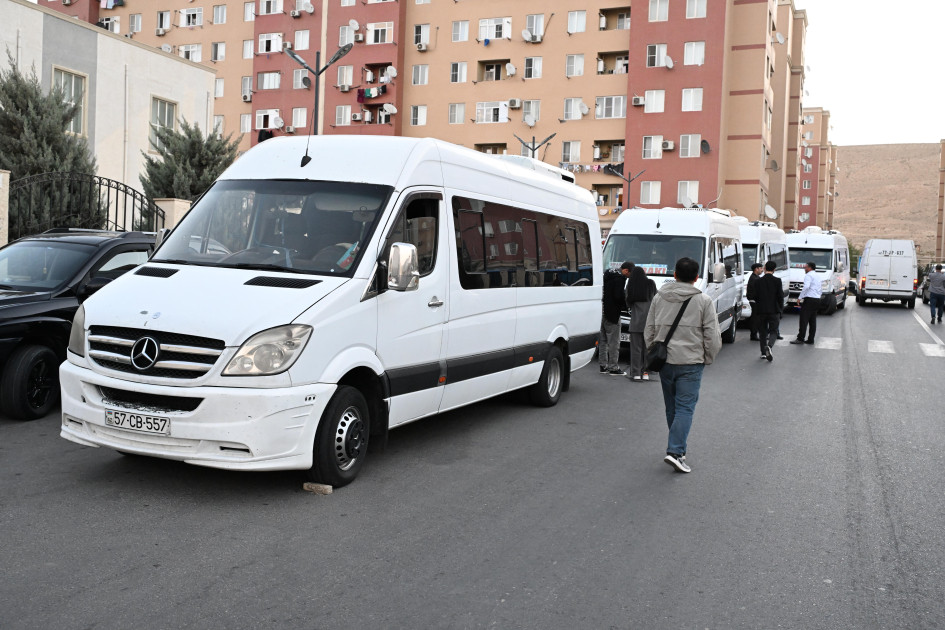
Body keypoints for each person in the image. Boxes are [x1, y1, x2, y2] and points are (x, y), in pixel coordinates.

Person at [644, 257, 722, 473]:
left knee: (672, 407)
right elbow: (712, 335)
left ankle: (678, 448)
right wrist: (708, 357)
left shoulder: (659, 298)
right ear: (696, 278)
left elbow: (648, 329)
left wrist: (653, 351)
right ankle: (676, 451)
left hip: (665, 361)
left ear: (675, 274)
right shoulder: (703, 301)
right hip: (691, 361)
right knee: (685, 407)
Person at [599, 262, 633, 375]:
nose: (629, 277)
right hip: (613, 313)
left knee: (603, 341)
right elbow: (618, 296)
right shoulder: (620, 279)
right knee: (614, 342)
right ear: (626, 270)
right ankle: (613, 367)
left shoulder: (608, 273)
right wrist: (625, 304)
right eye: (629, 274)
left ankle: (603, 366)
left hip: (602, 311)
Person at [625, 265, 657, 381]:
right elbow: (656, 300)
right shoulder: (651, 284)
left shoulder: (631, 286)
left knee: (636, 349)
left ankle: (636, 373)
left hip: (636, 322)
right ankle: (645, 373)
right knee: (647, 349)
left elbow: (628, 303)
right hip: (649, 323)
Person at [754, 260, 784, 362]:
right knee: (774, 331)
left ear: (765, 268)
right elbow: (780, 296)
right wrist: (781, 310)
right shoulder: (777, 281)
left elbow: (754, 296)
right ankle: (769, 346)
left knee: (762, 332)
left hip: (761, 310)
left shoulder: (758, 281)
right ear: (774, 270)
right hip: (774, 310)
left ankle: (763, 353)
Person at [790, 261, 821, 345]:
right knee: (812, 320)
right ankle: (811, 339)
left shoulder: (808, 275)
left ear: (810, 268)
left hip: (809, 299)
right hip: (817, 299)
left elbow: (806, 287)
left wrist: (800, 298)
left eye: (806, 267)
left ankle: (800, 338)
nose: (804, 268)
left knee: (803, 319)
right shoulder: (818, 276)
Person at [746, 263, 764, 341]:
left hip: (755, 300)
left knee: (756, 318)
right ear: (756, 269)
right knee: (755, 319)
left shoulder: (755, 277)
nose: (762, 270)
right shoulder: (755, 278)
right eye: (760, 268)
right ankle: (753, 335)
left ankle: (755, 334)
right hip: (755, 301)